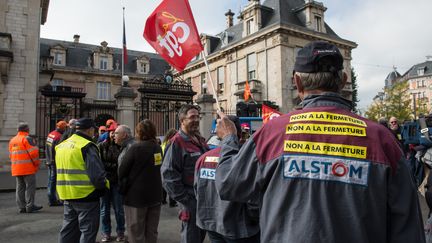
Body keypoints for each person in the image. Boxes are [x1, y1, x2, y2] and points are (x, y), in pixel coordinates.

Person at [215, 41, 425, 243]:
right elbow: (407, 226)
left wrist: (229, 139)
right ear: (343, 80)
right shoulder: (381, 139)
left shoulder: (272, 133)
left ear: (297, 82)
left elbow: (228, 185)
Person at [195, 115, 260, 243]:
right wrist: (254, 218)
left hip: (212, 223)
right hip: (240, 228)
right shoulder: (245, 159)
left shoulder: (203, 158)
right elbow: (253, 198)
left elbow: (198, 191)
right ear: (240, 134)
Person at [56, 117, 109, 243]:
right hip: (86, 195)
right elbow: (97, 176)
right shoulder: (87, 146)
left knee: (68, 230)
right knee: (88, 232)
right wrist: (104, 187)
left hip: (67, 194)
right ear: (90, 130)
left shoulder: (62, 145)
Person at [161, 104, 209, 243]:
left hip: (203, 199)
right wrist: (185, 201)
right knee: (191, 238)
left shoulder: (200, 140)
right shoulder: (177, 142)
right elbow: (168, 176)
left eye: (197, 116)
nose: (196, 120)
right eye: (192, 117)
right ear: (182, 120)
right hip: (190, 201)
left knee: (200, 237)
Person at [118, 119, 163, 243]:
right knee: (151, 231)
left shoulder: (135, 148)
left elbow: (122, 171)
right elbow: (158, 166)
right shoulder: (158, 147)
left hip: (136, 197)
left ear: (139, 132)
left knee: (136, 231)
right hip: (155, 195)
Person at [98, 122, 125, 242]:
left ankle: (120, 232)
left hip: (117, 182)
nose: (113, 134)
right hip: (105, 181)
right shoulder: (101, 146)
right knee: (104, 210)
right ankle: (106, 233)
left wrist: (111, 166)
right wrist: (114, 166)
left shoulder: (122, 146)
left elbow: (123, 165)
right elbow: (100, 164)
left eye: (115, 132)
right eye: (111, 132)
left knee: (119, 209)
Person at [9, 122, 42, 213]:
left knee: (20, 187)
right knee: (30, 187)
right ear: (27, 129)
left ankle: (21, 207)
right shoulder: (27, 138)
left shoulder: (12, 140)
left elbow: (11, 155)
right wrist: (36, 164)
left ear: (18, 130)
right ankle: (30, 206)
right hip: (28, 168)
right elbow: (34, 153)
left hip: (16, 168)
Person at [45, 120, 67, 207]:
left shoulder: (51, 134)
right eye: (65, 128)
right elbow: (58, 150)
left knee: (50, 180)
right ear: (62, 128)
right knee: (53, 181)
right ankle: (52, 200)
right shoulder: (59, 137)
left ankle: (51, 198)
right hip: (54, 162)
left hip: (49, 160)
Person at [161, 128, 177, 207]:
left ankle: (163, 200)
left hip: (162, 164)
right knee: (171, 183)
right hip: (169, 164)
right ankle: (172, 202)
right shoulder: (171, 143)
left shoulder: (164, 143)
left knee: (164, 184)